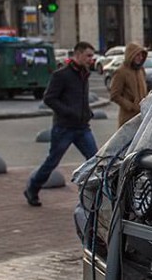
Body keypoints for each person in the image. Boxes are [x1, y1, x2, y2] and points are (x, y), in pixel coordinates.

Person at [24, 42, 98, 207]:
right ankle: (32, 188)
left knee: (95, 160)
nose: (90, 59)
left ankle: (97, 194)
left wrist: (87, 112)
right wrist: (68, 111)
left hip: (82, 126)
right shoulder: (62, 75)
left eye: (92, 56)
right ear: (77, 55)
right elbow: (49, 98)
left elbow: (81, 98)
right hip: (64, 127)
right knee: (52, 161)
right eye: (88, 56)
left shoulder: (84, 73)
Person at [109, 41, 149, 127]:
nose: (140, 57)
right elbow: (114, 95)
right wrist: (130, 106)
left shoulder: (141, 70)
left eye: (141, 55)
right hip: (128, 119)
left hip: (143, 116)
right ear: (131, 55)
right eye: (137, 55)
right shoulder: (121, 72)